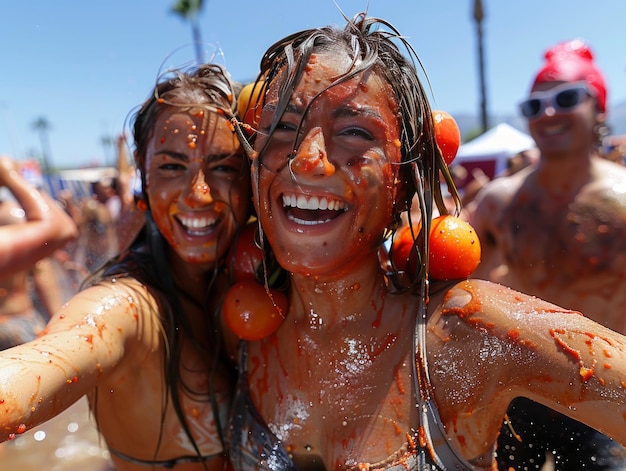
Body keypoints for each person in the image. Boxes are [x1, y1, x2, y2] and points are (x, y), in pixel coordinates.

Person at [224, 15, 626, 471]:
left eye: (356, 131)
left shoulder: (467, 336)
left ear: (406, 179)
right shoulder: (236, 331)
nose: (308, 159)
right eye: (281, 127)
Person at [0, 63, 251, 471]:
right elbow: (54, 357)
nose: (199, 194)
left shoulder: (255, 281)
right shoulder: (123, 307)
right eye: (171, 166)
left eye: (223, 167)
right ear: (143, 175)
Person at [470, 39, 626, 469]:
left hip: (606, 397)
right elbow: (450, 278)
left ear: (599, 108)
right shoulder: (499, 203)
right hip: (519, 393)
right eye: (534, 106)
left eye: (566, 98)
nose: (549, 113)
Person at [0, 156, 78, 349]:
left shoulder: (10, 215)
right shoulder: (10, 214)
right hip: (17, 323)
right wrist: (11, 175)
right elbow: (60, 229)